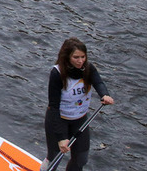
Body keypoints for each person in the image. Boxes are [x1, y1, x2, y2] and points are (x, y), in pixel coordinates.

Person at [42, 37, 114, 171]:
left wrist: (104, 94)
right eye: (76, 57)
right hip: (59, 120)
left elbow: (98, 82)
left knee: (81, 159)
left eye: (83, 57)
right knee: (55, 157)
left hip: (79, 120)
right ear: (67, 57)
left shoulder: (88, 68)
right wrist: (62, 137)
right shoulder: (57, 73)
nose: (80, 61)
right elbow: (54, 106)